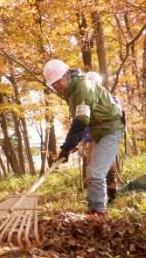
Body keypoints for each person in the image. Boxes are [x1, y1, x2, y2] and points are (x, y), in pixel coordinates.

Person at [43, 59, 124, 215]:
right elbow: (83, 121)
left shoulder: (82, 87)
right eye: (53, 84)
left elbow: (80, 120)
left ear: (67, 74)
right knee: (92, 172)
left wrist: (66, 148)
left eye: (57, 81)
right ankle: (93, 210)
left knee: (96, 173)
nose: (56, 87)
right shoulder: (70, 91)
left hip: (110, 128)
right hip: (96, 130)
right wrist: (72, 146)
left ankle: (99, 214)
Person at [85, 71, 122, 203]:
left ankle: (109, 197)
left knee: (104, 169)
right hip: (95, 137)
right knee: (92, 168)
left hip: (108, 136)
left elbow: (117, 119)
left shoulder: (111, 99)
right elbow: (87, 122)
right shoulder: (87, 98)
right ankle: (94, 198)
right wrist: (85, 141)